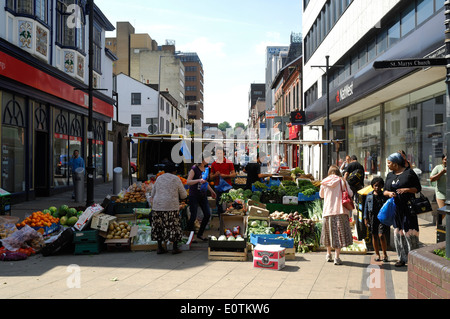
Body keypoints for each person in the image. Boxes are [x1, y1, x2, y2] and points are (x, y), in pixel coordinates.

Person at [383, 152, 422, 267]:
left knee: (410, 233)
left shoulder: (409, 173)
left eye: (389, 163)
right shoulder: (390, 175)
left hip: (408, 209)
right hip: (396, 210)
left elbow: (417, 188)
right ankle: (401, 258)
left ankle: (414, 259)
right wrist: (389, 193)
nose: (388, 165)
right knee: (398, 233)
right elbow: (384, 191)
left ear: (395, 163)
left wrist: (407, 189)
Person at [319, 165, 354, 265]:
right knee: (338, 235)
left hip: (327, 212)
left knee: (328, 234)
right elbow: (350, 194)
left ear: (329, 172)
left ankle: (328, 254)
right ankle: (337, 258)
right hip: (340, 211)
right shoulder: (342, 181)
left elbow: (321, 195)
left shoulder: (324, 182)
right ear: (338, 172)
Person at [150, 163, 187, 254]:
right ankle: (174, 248)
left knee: (159, 226)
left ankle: (160, 247)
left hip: (158, 206)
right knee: (173, 226)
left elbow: (152, 193)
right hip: (171, 206)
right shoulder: (176, 179)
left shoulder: (159, 178)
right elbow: (184, 195)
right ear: (174, 171)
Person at [186, 158, 217, 241]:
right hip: (194, 195)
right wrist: (199, 180)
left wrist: (212, 191)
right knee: (193, 216)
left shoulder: (206, 169)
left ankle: (200, 234)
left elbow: (205, 182)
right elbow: (188, 182)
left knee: (207, 214)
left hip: (203, 195)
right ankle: (189, 237)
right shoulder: (194, 169)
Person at [364, 177, 389, 262]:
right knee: (374, 235)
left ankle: (385, 254)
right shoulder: (369, 195)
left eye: (379, 186)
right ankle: (377, 254)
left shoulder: (384, 195)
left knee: (381, 235)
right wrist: (365, 218)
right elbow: (366, 207)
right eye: (375, 186)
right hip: (372, 217)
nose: (377, 187)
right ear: (372, 186)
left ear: (382, 186)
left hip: (382, 218)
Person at [210, 147, 236, 215]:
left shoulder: (229, 163)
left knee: (229, 205)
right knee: (219, 205)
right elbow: (211, 177)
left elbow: (234, 174)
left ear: (223, 153)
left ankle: (228, 221)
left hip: (228, 187)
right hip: (218, 188)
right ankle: (221, 221)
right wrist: (215, 175)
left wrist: (226, 176)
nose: (219, 155)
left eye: (220, 153)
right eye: (218, 153)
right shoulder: (214, 164)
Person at [430, 155, 447, 224]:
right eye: (445, 159)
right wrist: (441, 173)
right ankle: (439, 229)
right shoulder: (438, 167)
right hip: (441, 193)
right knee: (443, 212)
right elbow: (432, 179)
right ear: (442, 160)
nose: (447, 161)